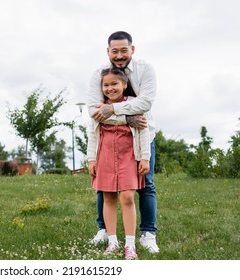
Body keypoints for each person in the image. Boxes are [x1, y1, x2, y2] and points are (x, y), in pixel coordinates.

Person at [87, 31, 159, 253]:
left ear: (132, 50)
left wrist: (112, 109)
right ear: (108, 51)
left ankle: (148, 233)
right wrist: (127, 117)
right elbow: (93, 111)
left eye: (124, 50)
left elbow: (145, 103)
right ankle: (104, 231)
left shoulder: (145, 69)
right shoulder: (99, 74)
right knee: (104, 187)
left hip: (140, 135)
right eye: (114, 51)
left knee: (145, 185)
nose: (119, 55)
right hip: (108, 141)